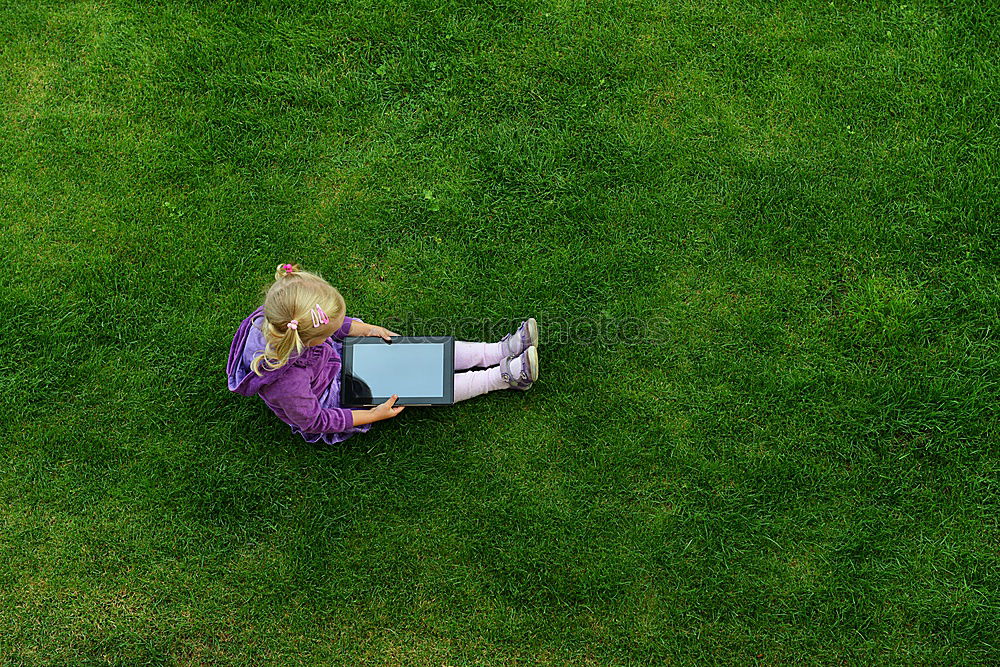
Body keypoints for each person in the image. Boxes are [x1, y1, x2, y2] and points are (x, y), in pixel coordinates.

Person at [226, 263, 539, 445]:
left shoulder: (288, 317)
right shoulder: (288, 385)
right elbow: (315, 420)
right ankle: (503, 377)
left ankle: (499, 350)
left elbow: (335, 327)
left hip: (332, 362)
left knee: (416, 355)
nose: (344, 324)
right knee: (417, 385)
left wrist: (367, 330)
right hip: (331, 398)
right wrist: (372, 415)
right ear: (310, 340)